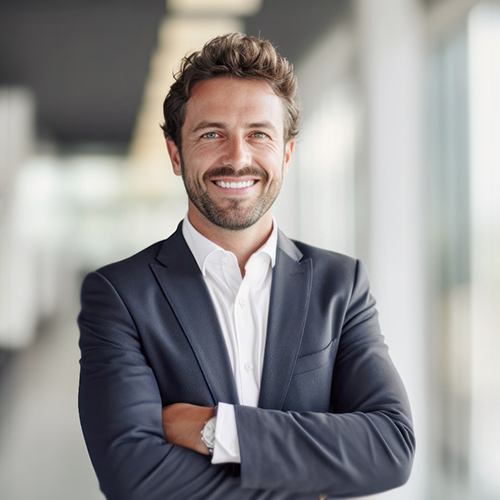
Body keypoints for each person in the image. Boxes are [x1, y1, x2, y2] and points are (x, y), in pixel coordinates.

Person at [78, 33, 415, 500]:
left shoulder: (340, 286)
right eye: (212, 134)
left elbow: (389, 448)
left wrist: (219, 431)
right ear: (176, 154)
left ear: (287, 153)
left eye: (258, 134)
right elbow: (134, 478)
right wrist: (306, 478)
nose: (237, 158)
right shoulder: (121, 295)